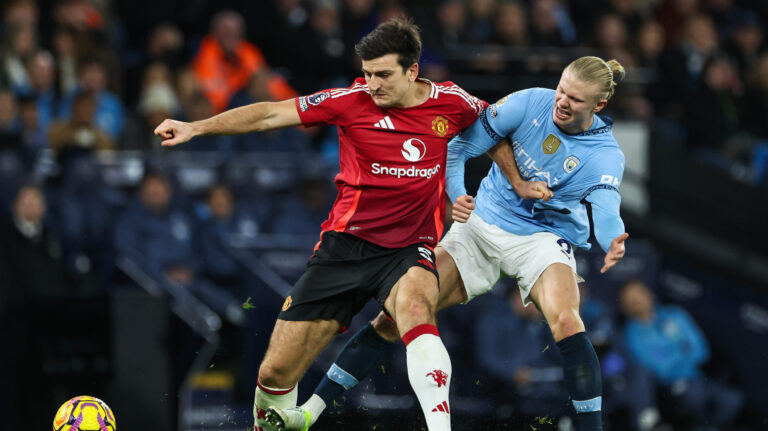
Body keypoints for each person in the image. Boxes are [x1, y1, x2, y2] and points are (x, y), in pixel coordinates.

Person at [154, 18, 487, 431]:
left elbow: (503, 126)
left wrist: (523, 182)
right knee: (275, 372)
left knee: (417, 306)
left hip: (408, 248)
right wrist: (195, 127)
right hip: (343, 250)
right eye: (367, 73)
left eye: (383, 74)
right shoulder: (350, 100)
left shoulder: (452, 102)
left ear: (412, 71)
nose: (372, 84)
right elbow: (268, 115)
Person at [282, 56, 629, 431]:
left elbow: (607, 211)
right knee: (397, 314)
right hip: (483, 223)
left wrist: (612, 240)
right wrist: (460, 193)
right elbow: (461, 146)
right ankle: (310, 412)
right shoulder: (530, 101)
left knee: (566, 320)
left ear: (599, 106)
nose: (562, 101)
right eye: (562, 89)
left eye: (575, 100)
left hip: (543, 238)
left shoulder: (606, 155)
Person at [619, 279, 743, 429]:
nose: (637, 301)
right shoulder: (632, 334)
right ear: (625, 308)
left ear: (650, 294)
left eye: (639, 294)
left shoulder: (675, 314)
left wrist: (669, 354)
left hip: (699, 376)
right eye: (631, 300)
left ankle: (707, 427)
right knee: (694, 397)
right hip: (670, 387)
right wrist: (682, 349)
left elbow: (701, 350)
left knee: (733, 399)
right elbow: (660, 369)